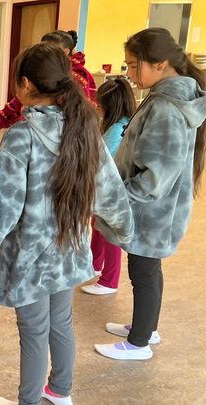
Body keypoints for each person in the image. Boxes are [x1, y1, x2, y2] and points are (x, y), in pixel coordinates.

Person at [0, 43, 133, 405]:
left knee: (34, 332)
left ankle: (29, 401)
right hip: (68, 251)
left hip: (29, 260)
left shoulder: (22, 136)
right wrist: (125, 232)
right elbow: (111, 193)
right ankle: (60, 391)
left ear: (26, 84)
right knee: (60, 322)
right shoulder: (84, 127)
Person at [94, 27, 206, 361]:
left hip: (150, 210)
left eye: (133, 65)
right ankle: (146, 328)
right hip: (152, 209)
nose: (129, 73)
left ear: (160, 64)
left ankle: (138, 343)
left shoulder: (168, 107)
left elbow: (156, 176)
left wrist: (117, 197)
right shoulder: (164, 98)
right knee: (146, 270)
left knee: (143, 273)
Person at [81, 77, 135, 296]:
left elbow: (103, 163)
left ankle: (109, 280)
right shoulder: (120, 124)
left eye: (100, 104)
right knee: (97, 225)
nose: (97, 107)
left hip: (112, 191)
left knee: (109, 233)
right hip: (109, 190)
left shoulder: (116, 130)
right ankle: (94, 263)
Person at [0, 30, 97, 131]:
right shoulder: (41, 70)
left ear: (66, 51)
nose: (42, 56)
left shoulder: (79, 75)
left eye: (49, 52)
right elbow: (23, 97)